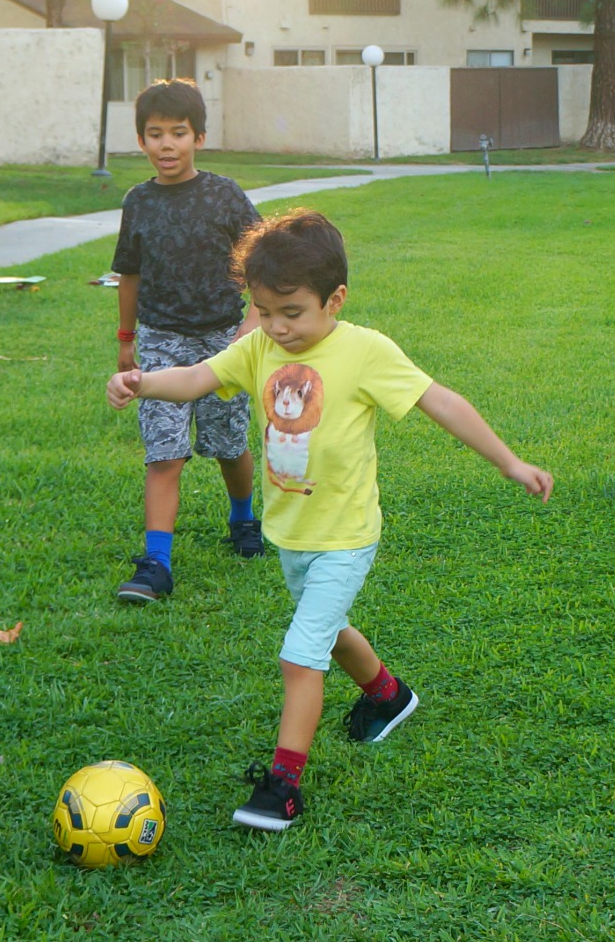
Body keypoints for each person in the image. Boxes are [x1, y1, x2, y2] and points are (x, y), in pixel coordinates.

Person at [106, 209, 553, 829]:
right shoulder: (258, 345)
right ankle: (389, 696)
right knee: (329, 629)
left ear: (335, 298)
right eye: (264, 311)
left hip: (346, 535)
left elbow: (440, 401)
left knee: (300, 654)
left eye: (292, 312)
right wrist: (143, 380)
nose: (277, 327)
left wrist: (509, 462)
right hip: (291, 533)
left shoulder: (366, 351)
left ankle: (282, 786)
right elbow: (199, 378)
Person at [110, 78, 263, 604]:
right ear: (141, 142)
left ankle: (243, 521)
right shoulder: (139, 202)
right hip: (160, 340)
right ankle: (157, 563)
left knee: (228, 444)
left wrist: (253, 324)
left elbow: (262, 261)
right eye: (155, 134)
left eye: (178, 132)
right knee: (164, 452)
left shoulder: (225, 195)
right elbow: (129, 275)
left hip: (225, 340)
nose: (167, 145)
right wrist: (127, 341)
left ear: (199, 136)